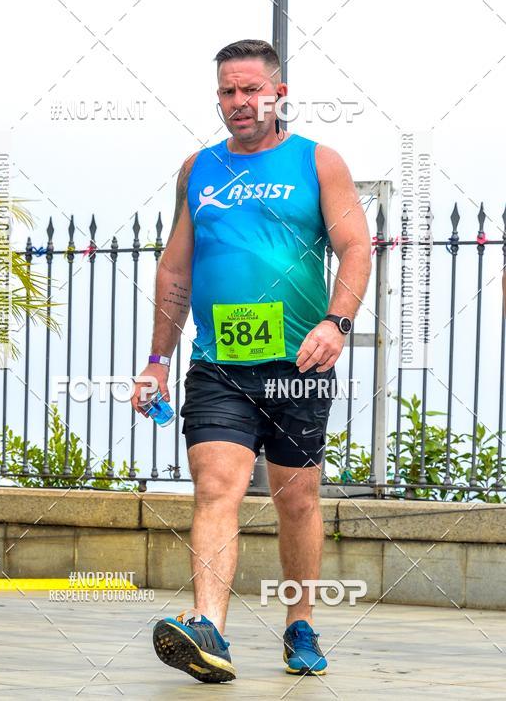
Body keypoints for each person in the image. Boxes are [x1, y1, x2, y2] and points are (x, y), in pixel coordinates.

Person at [132, 39, 372, 683]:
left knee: (297, 499)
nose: (238, 102)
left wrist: (337, 323)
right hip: (218, 365)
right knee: (216, 487)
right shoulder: (198, 168)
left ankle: (301, 623)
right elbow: (174, 269)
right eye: (227, 92)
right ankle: (208, 628)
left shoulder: (317, 161)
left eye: (250, 90)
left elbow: (356, 246)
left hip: (299, 364)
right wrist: (157, 361)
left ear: (277, 94)